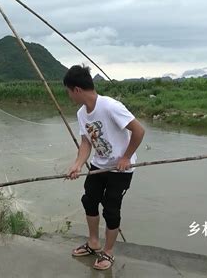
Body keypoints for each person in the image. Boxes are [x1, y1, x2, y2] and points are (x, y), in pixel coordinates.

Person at [64, 65, 144, 270]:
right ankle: (93, 243)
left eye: (68, 91)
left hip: (121, 169)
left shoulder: (110, 106)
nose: (69, 95)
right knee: (89, 200)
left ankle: (108, 253)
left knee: (111, 209)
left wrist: (126, 157)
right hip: (98, 166)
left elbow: (139, 131)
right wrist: (78, 164)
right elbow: (86, 143)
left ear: (77, 90)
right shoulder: (82, 113)